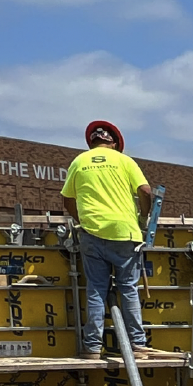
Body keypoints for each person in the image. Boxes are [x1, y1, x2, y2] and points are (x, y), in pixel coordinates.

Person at [61, 119, 162, 360]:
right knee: (128, 289)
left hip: (92, 234)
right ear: (115, 143)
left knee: (96, 289)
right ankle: (138, 345)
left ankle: (93, 347)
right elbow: (146, 191)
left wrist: (82, 221)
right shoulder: (125, 161)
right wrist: (144, 217)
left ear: (91, 143)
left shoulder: (79, 162)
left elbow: (67, 199)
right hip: (125, 233)